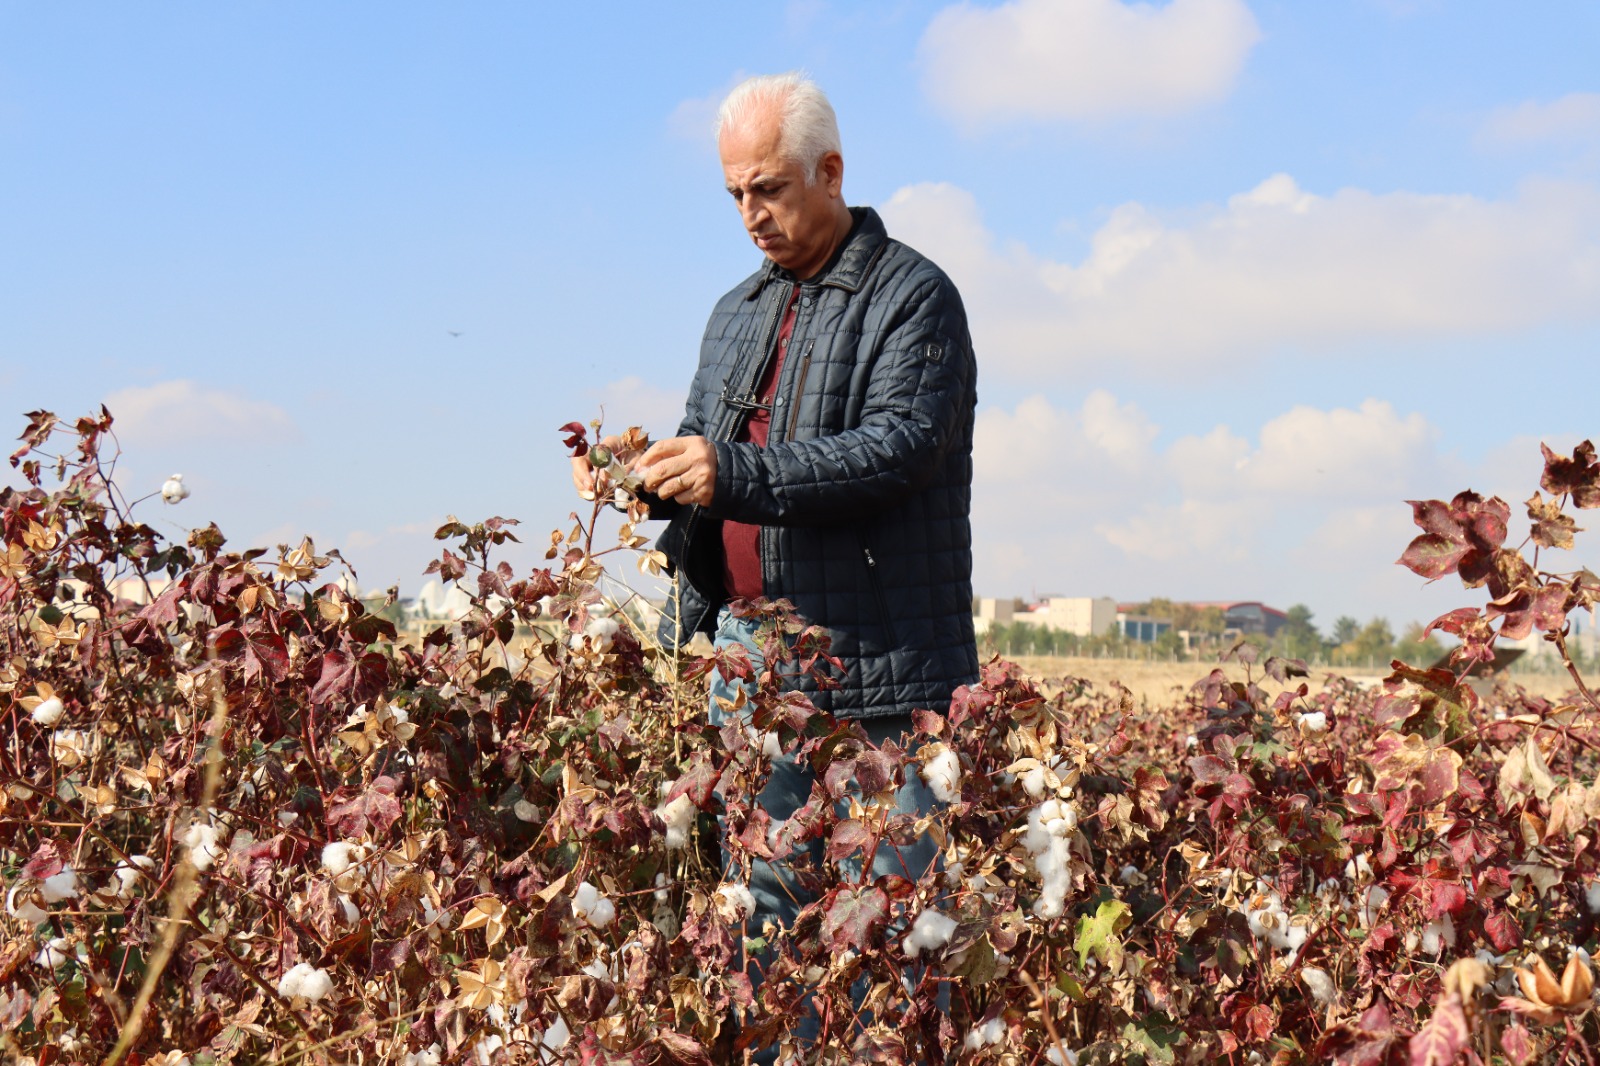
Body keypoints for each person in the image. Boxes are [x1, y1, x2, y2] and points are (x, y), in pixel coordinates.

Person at [571, 70, 977, 1051]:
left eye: (769, 189)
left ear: (830, 171)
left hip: (881, 667)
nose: (750, 214)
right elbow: (704, 451)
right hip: (751, 668)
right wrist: (640, 478)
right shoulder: (735, 312)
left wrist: (731, 471)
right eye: (735, 195)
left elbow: (896, 449)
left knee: (894, 930)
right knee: (765, 920)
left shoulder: (913, 297)